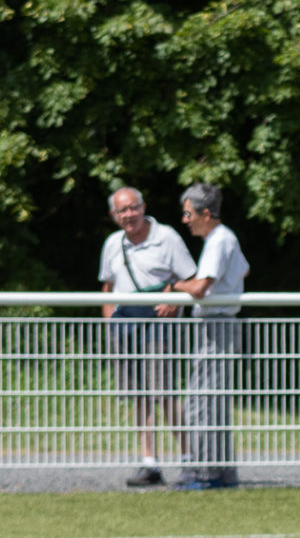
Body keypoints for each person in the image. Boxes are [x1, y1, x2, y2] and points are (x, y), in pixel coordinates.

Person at [98, 186, 198, 489]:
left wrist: (173, 301)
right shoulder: (113, 244)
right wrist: (110, 323)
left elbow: (190, 279)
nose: (129, 215)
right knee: (138, 396)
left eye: (133, 208)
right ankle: (149, 461)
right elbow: (107, 287)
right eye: (122, 210)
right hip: (124, 324)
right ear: (114, 215)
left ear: (143, 207)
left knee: (165, 392)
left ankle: (188, 459)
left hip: (159, 323)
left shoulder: (166, 237)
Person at [175, 182, 249, 491]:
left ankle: (206, 474)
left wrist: (174, 286)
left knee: (202, 401)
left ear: (205, 213)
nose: (185, 220)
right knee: (213, 401)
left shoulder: (218, 241)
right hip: (222, 325)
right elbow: (244, 269)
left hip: (216, 327)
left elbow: (200, 287)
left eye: (188, 214)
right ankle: (223, 472)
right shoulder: (226, 238)